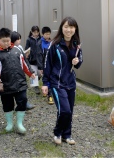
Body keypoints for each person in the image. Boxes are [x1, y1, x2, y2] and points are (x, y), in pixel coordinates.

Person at [41, 17, 83, 145]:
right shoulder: (54, 45)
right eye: (66, 27)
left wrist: (77, 61)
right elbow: (47, 65)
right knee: (64, 110)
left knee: (70, 110)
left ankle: (67, 135)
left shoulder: (77, 45)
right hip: (56, 82)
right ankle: (57, 132)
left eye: (71, 27)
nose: (68, 30)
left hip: (70, 82)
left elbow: (79, 64)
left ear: (75, 29)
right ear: (61, 28)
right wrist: (45, 84)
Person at [0, 28, 34, 134]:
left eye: (8, 41)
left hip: (20, 83)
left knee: (22, 101)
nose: (6, 43)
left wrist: (31, 73)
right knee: (7, 105)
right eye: (4, 41)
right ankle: (10, 123)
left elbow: (25, 64)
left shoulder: (17, 50)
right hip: (5, 85)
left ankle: (20, 123)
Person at [10, 31, 36, 110]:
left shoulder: (20, 47)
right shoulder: (10, 49)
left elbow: (24, 61)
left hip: (21, 72)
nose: (20, 41)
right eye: (19, 39)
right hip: (13, 73)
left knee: (22, 89)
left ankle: (24, 104)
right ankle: (19, 105)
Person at [25, 25, 43, 94]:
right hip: (32, 60)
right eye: (34, 32)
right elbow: (26, 49)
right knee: (34, 73)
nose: (36, 33)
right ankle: (36, 87)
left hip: (39, 60)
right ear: (31, 32)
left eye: (37, 32)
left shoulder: (41, 39)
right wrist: (27, 55)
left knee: (40, 74)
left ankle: (35, 82)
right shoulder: (29, 40)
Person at [39, 26, 54, 105]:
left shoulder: (52, 42)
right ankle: (49, 95)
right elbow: (39, 56)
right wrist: (40, 67)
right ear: (42, 34)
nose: (48, 36)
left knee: (51, 79)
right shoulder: (40, 43)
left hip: (51, 64)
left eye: (49, 34)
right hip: (44, 64)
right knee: (46, 79)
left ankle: (49, 93)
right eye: (46, 34)